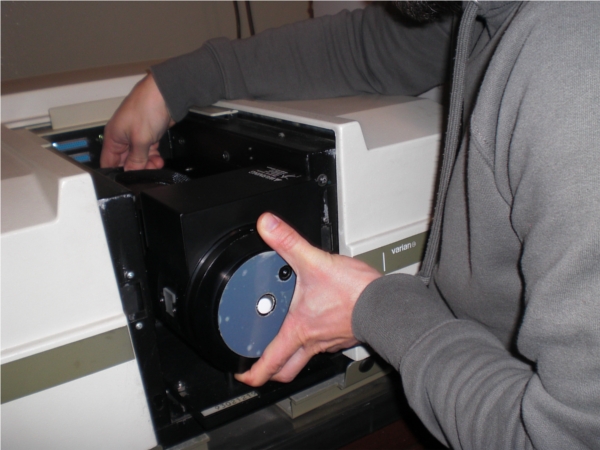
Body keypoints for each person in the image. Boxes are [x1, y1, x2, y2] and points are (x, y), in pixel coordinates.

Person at [101, 2, 600, 448]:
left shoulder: (573, 60)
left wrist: (375, 308)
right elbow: (372, 46)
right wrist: (170, 87)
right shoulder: (486, 11)